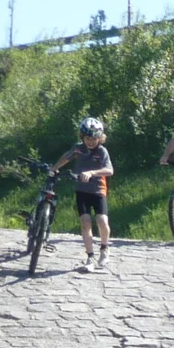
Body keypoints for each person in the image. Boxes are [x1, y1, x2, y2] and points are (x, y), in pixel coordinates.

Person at [49, 117, 114, 273]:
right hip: (82, 190)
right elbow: (67, 156)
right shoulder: (79, 149)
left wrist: (92, 173)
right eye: (87, 138)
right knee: (85, 222)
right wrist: (55, 168)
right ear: (82, 137)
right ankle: (90, 257)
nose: (90, 141)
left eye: (93, 138)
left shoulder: (102, 151)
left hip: (98, 190)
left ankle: (104, 249)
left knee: (101, 220)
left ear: (100, 138)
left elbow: (109, 170)